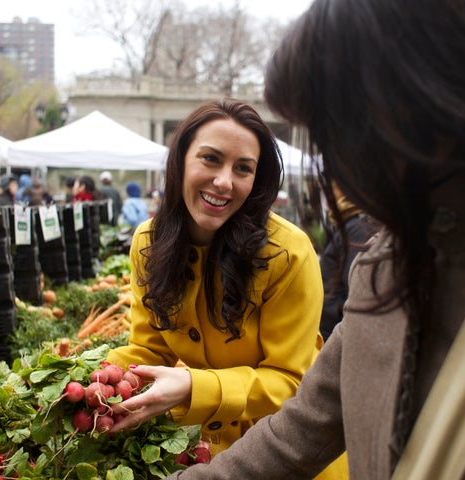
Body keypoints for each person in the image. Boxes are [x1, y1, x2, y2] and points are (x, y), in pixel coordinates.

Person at [166, 0, 465, 478]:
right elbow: (297, 433)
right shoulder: (382, 268)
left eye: (341, 124)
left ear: (436, 96)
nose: (336, 162)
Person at [104, 98, 347, 479]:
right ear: (181, 160)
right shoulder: (148, 243)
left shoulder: (287, 252)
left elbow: (291, 383)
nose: (223, 181)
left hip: (288, 456)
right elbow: (149, 348)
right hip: (210, 457)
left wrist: (193, 387)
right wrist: (91, 378)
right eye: (211, 159)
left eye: (243, 169)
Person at [318, 182, 374, 342]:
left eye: (334, 185)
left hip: (335, 336)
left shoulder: (356, 228)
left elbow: (354, 288)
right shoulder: (346, 224)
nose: (328, 192)